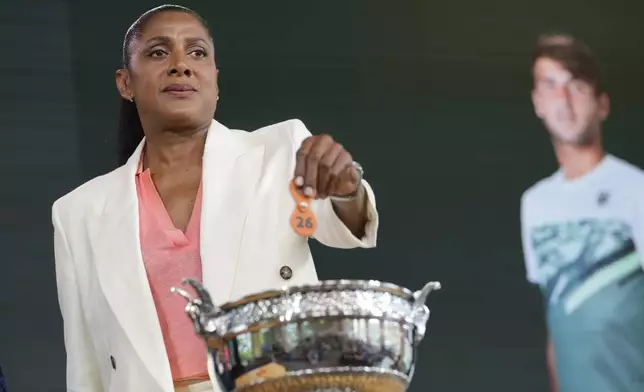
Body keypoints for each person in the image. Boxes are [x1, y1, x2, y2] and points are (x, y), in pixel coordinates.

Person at [52, 4, 379, 392]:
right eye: (158, 52)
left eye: (197, 52)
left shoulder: (278, 151)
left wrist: (346, 185)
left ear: (215, 79)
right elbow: (86, 370)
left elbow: (347, 224)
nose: (181, 65)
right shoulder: (78, 213)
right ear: (125, 83)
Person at [520, 33, 644, 392]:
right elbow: (557, 316)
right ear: (537, 102)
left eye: (576, 85)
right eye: (551, 84)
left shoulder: (635, 188)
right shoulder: (535, 203)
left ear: (602, 104)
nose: (564, 99)